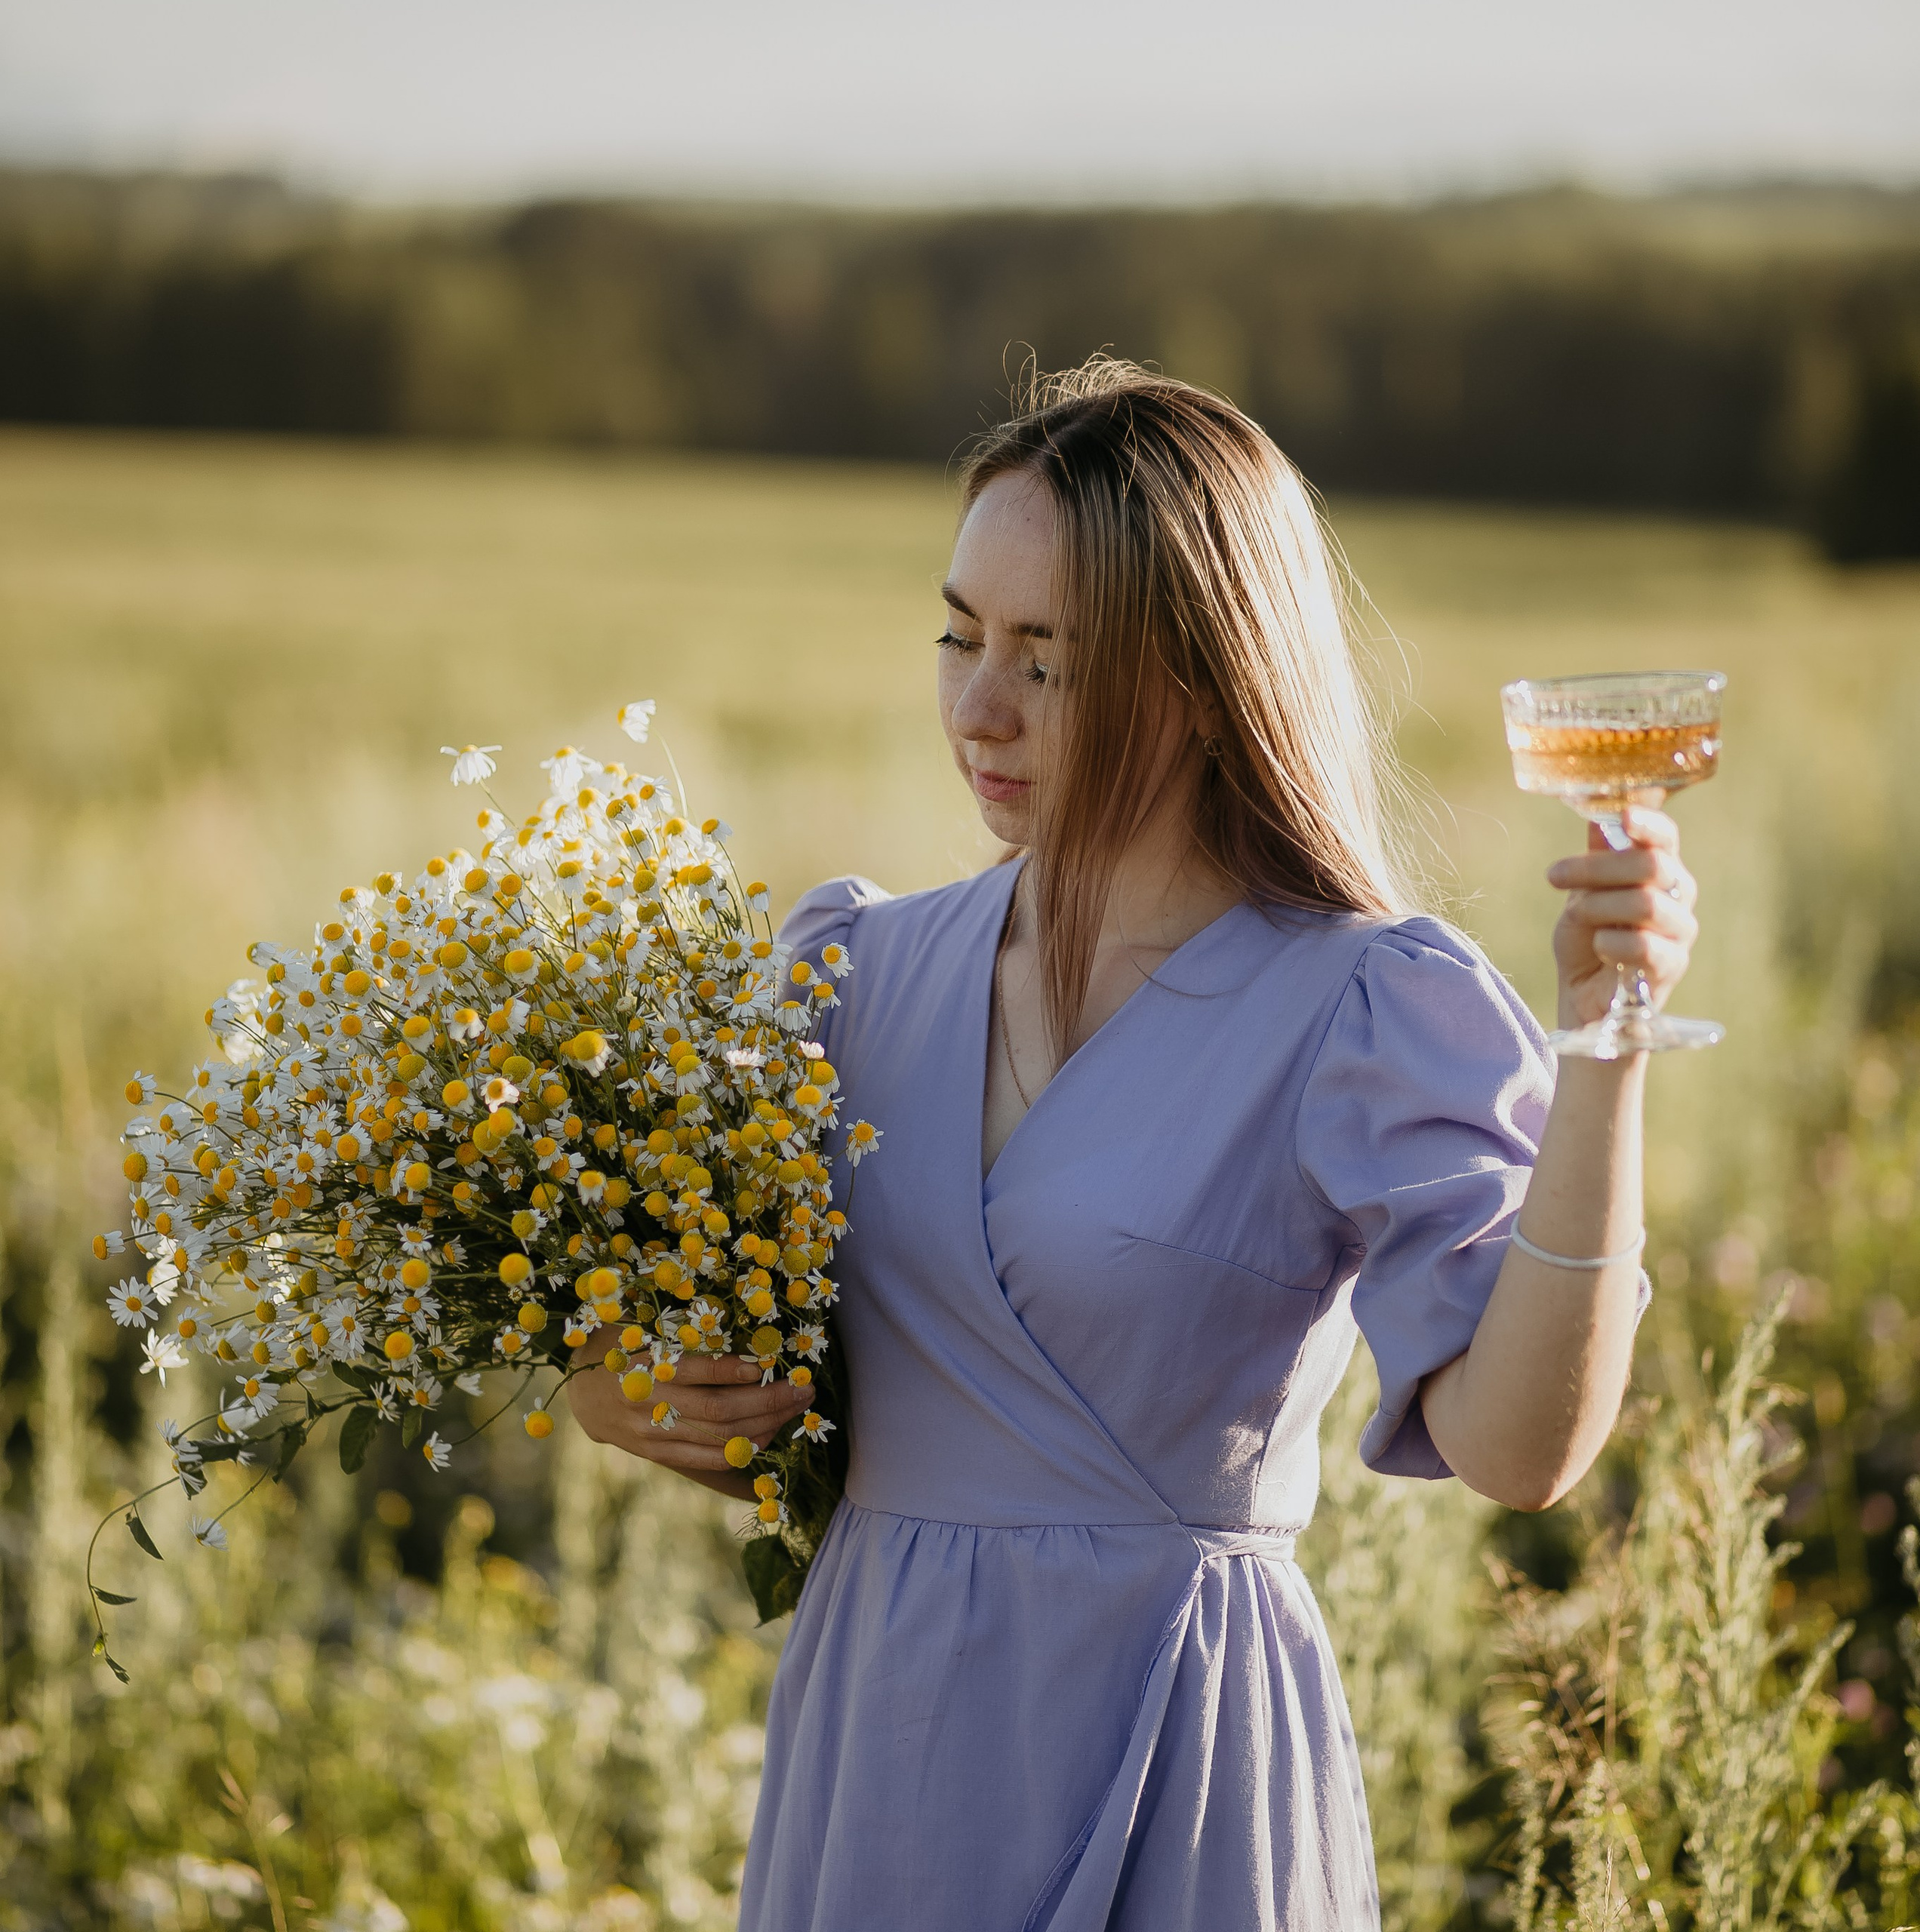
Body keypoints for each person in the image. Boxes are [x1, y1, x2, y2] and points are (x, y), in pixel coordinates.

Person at [568, 359, 1700, 1928]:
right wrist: (618, 1383)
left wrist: (1602, 1046)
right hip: (879, 1756)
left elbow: (1521, 1451)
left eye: (1048, 659)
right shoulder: (846, 975)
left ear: (1202, 675)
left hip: (1182, 1756)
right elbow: (737, 1376)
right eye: (960, 635)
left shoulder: (1361, 1002)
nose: (977, 704)